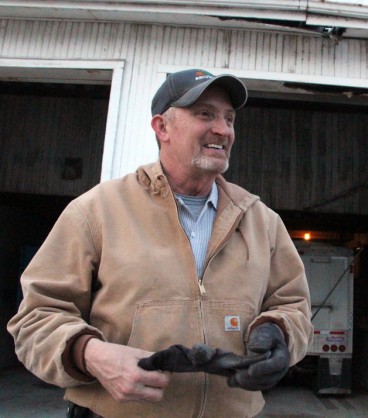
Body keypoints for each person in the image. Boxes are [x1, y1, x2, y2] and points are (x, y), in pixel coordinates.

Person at [7, 69, 313, 418]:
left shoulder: (262, 222)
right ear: (162, 128)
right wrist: (91, 354)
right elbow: (35, 319)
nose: (223, 129)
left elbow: (294, 306)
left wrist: (276, 331)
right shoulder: (96, 211)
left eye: (229, 118)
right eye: (205, 114)